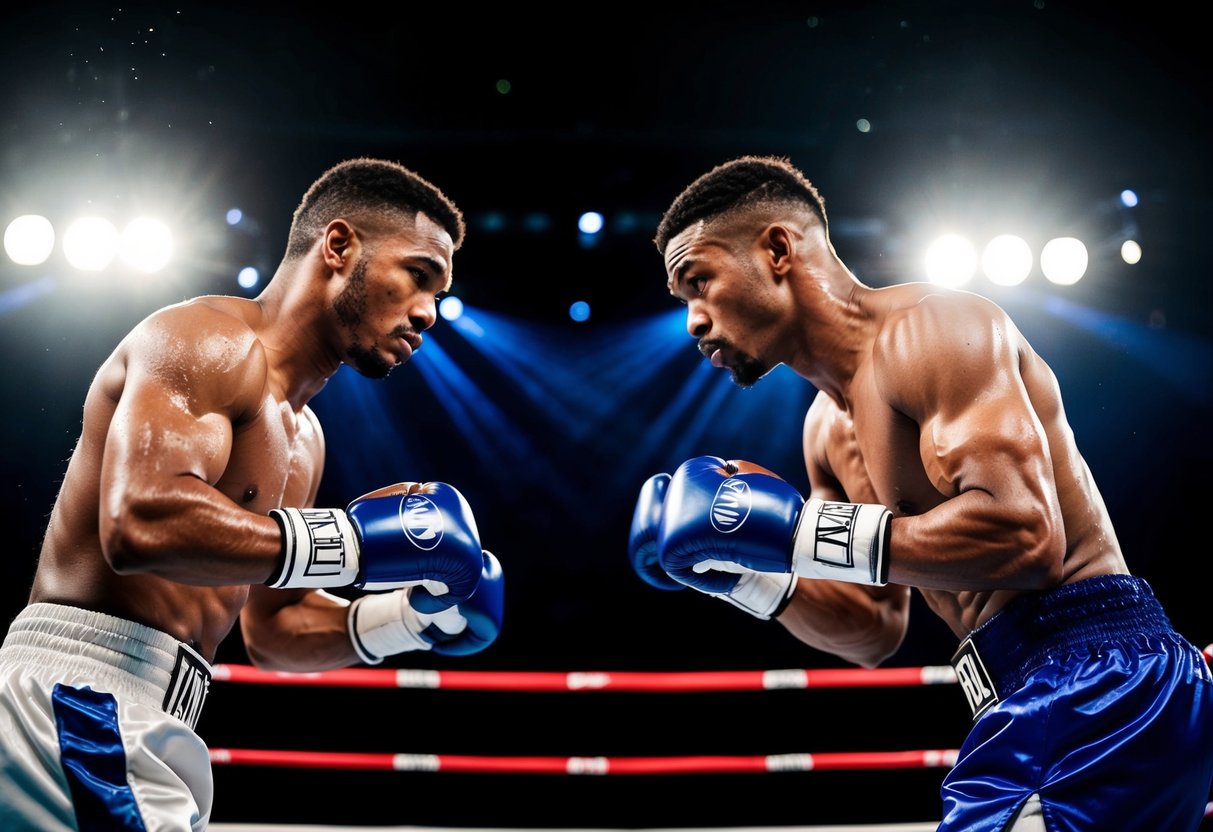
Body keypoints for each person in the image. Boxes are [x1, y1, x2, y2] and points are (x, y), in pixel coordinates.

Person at [628, 154, 1213, 830]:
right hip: (1030, 693)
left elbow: (1025, 539)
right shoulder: (825, 431)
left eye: (699, 282)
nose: (693, 321)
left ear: (778, 249)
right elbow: (872, 630)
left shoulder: (934, 330)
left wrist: (793, 536)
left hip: (1096, 681)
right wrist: (749, 576)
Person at [0, 157, 505, 832]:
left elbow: (275, 632)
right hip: (80, 695)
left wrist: (411, 616)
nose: (429, 311)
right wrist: (355, 544)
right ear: (338, 246)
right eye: (418, 275)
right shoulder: (205, 341)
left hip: (153, 715)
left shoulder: (306, 438)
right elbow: (140, 522)